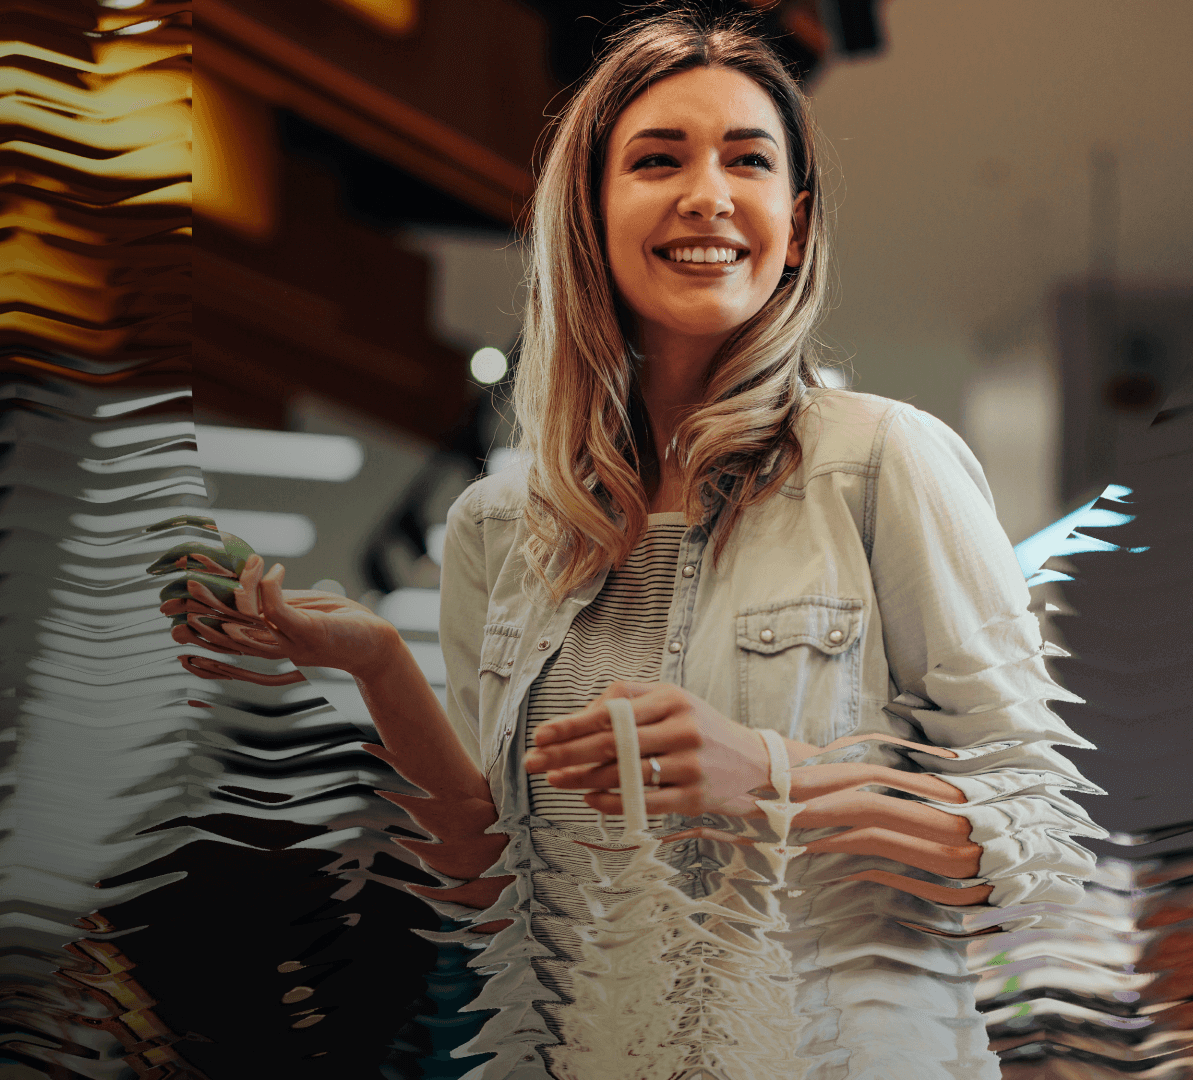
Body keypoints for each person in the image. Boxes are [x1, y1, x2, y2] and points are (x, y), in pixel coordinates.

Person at [160, 10, 1101, 1079]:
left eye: (748, 160)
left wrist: (771, 778)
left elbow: (1040, 842)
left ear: (794, 226)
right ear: (590, 216)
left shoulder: (883, 463)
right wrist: (376, 664)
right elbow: (489, 887)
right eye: (659, 160)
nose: (708, 193)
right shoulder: (498, 530)